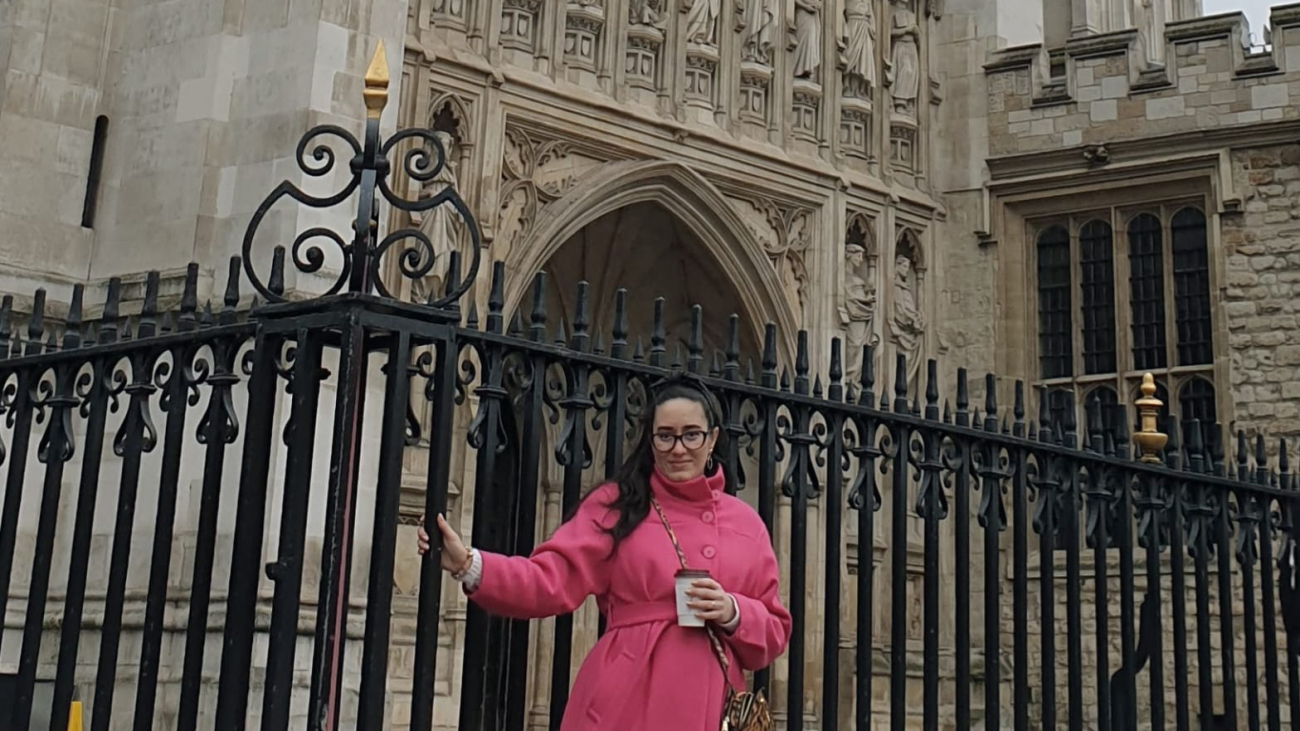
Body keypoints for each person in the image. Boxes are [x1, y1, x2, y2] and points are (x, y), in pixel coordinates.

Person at [418, 376, 791, 730]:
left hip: (713, 704)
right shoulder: (616, 505)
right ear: (650, 440)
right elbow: (548, 580)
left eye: (691, 435)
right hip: (625, 700)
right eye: (665, 437)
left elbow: (775, 630)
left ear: (712, 439)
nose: (678, 449)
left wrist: (733, 611)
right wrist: (469, 565)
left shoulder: (747, 523)